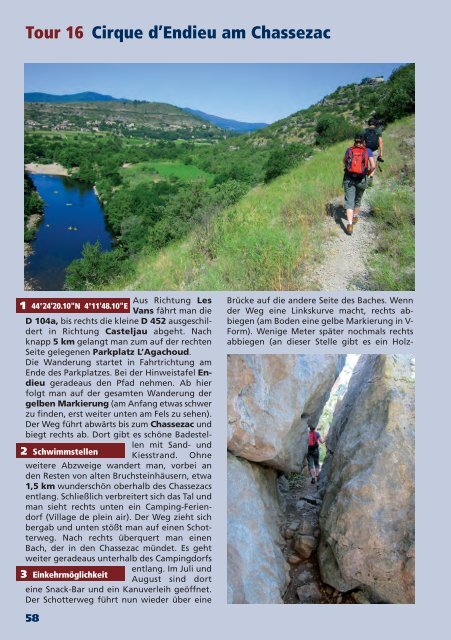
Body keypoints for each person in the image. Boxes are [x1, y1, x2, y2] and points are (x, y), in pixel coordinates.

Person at [343, 133, 375, 235]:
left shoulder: (349, 150)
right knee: (358, 199)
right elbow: (373, 166)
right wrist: (368, 173)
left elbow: (345, 162)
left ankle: (349, 224)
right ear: (363, 141)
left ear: (355, 140)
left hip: (349, 179)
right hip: (362, 179)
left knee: (349, 201)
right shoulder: (368, 151)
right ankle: (355, 216)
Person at [364, 117, 384, 185]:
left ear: (368, 124)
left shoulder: (365, 130)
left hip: (366, 150)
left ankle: (366, 178)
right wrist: (381, 153)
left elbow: (362, 142)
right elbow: (380, 142)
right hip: (375, 150)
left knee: (367, 165)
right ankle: (371, 177)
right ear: (375, 124)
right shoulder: (378, 130)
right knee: (373, 165)